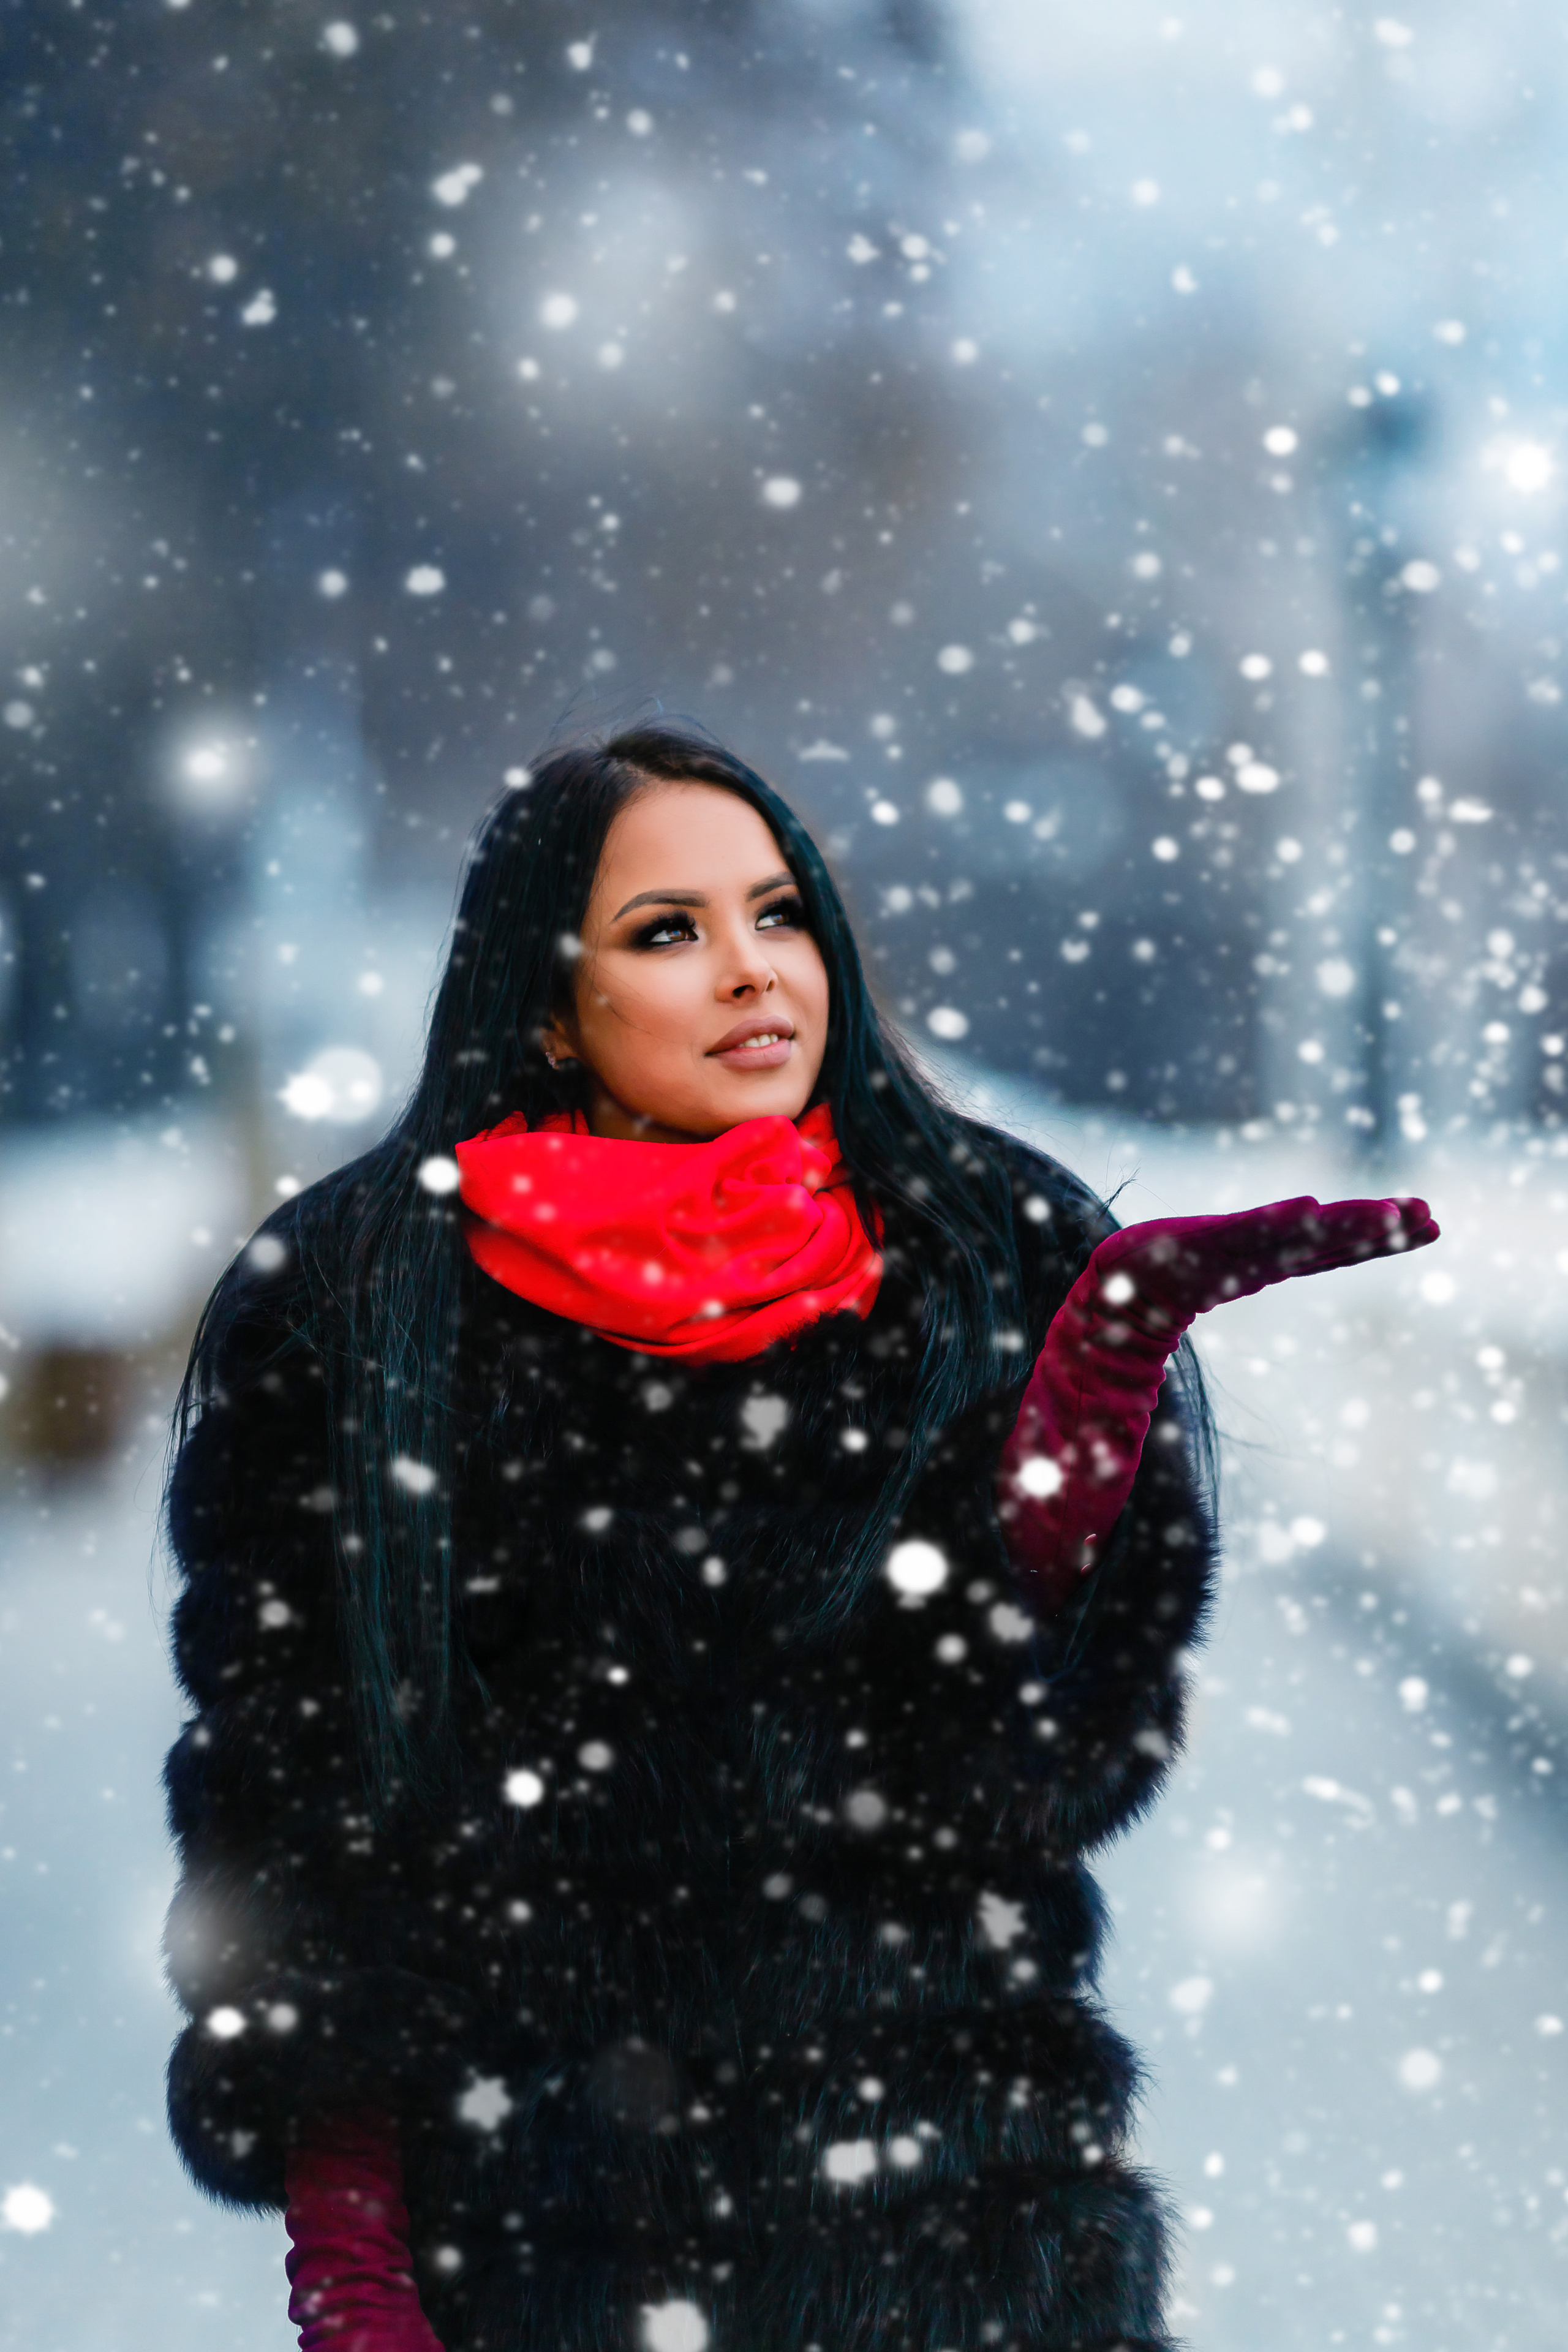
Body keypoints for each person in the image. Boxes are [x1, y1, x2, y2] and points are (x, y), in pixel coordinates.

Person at [160, 723, 1437, 2352]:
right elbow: (301, 1845)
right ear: (547, 1004)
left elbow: (1031, 1765)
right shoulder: (365, 1310)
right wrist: (352, 2270)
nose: (754, 969)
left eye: (779, 915)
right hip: (552, 2264)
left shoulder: (980, 1256)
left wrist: (1089, 1416)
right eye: (668, 931)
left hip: (967, 2256)